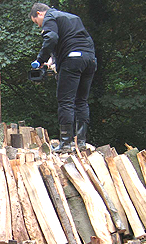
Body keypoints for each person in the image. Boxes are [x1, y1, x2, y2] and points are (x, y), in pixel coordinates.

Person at [29, 3, 96, 151]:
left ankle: (65, 144)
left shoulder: (49, 17)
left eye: (36, 22)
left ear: (40, 13)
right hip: (89, 59)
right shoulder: (71, 18)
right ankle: (81, 143)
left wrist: (39, 60)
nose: (39, 26)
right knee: (82, 101)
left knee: (65, 102)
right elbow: (70, 41)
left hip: (72, 61)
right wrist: (54, 61)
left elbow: (51, 38)